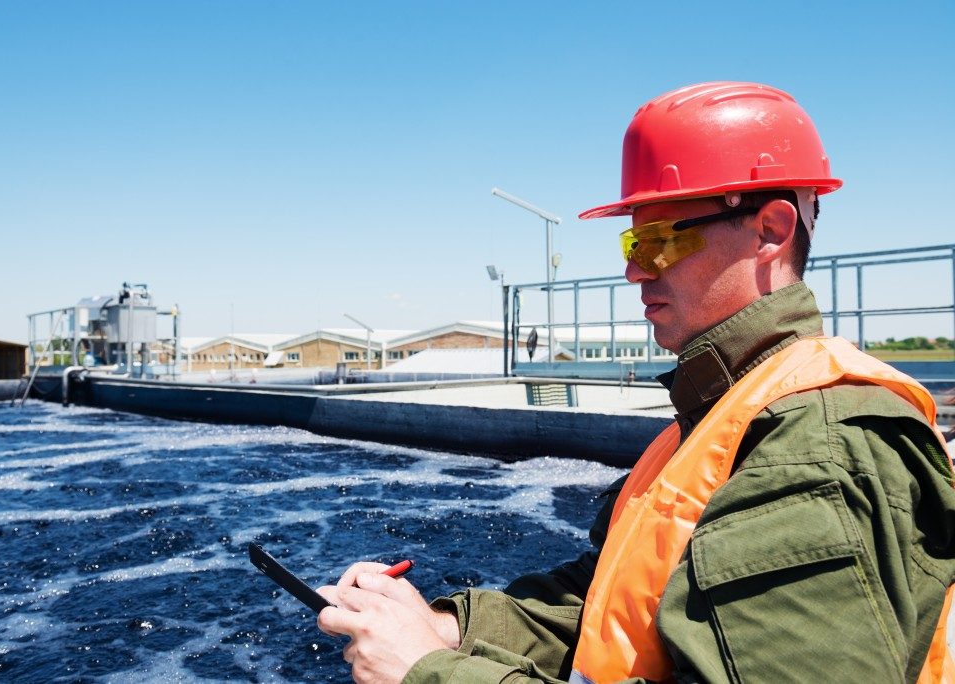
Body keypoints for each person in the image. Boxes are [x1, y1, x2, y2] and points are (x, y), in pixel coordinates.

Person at [316, 82, 955, 683]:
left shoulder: (815, 448)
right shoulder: (721, 415)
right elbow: (610, 611)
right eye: (630, 242)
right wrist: (442, 627)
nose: (632, 272)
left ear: (770, 231)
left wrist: (429, 670)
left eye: (655, 242)